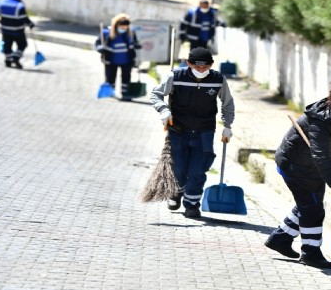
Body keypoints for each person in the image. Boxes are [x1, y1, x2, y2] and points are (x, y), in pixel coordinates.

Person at [265, 81, 331, 269]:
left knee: (308, 204)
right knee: (313, 209)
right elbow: (321, 156)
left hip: (312, 169)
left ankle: (280, 239)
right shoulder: (321, 121)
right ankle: (311, 253)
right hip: (296, 166)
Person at [150, 47, 235, 218]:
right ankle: (175, 192)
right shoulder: (175, 77)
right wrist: (164, 111)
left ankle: (192, 204)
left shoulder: (218, 79)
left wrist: (228, 125)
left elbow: (227, 103)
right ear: (189, 64)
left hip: (205, 130)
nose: (201, 70)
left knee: (198, 169)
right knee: (180, 168)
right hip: (178, 130)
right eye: (197, 67)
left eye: (205, 67)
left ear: (211, 65)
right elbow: (155, 94)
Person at [95, 14, 141, 101]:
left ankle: (125, 94)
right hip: (111, 60)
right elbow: (98, 43)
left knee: (126, 78)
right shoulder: (106, 33)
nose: (124, 29)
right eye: (122, 27)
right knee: (110, 77)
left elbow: (134, 43)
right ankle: (110, 92)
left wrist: (137, 45)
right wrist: (100, 48)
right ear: (116, 25)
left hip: (127, 61)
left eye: (125, 27)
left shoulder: (131, 33)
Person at [0, 0, 35, 69]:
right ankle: (15, 58)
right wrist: (31, 24)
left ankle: (8, 61)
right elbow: (25, 19)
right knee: (22, 44)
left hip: (5, 30)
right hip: (18, 31)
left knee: (7, 45)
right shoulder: (20, 6)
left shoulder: (1, 3)